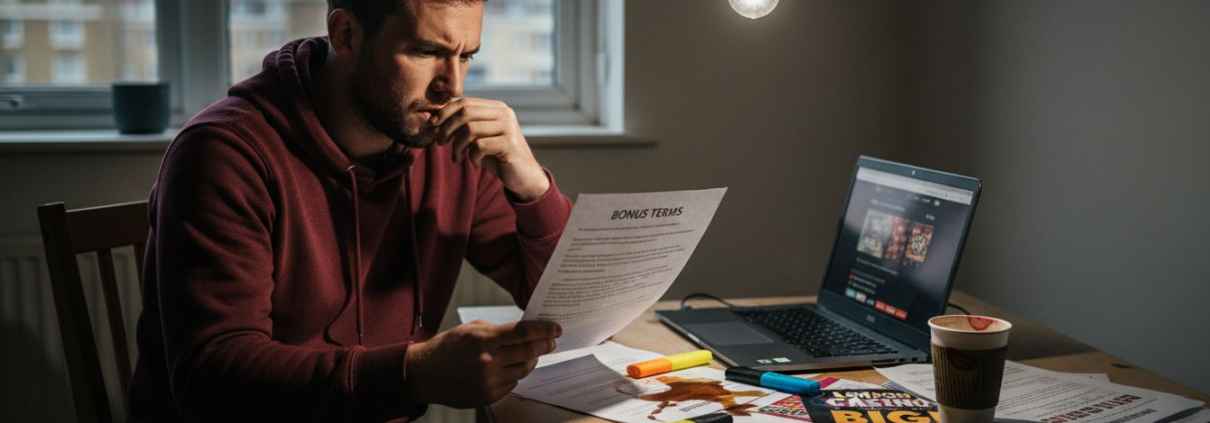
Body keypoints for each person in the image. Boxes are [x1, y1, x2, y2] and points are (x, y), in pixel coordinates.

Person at [127, 0, 570, 421]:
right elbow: (210, 383)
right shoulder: (224, 155)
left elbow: (566, 303)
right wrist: (412, 374)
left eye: (466, 56)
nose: (452, 86)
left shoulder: (445, 146)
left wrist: (531, 184)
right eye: (425, 51)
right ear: (347, 35)